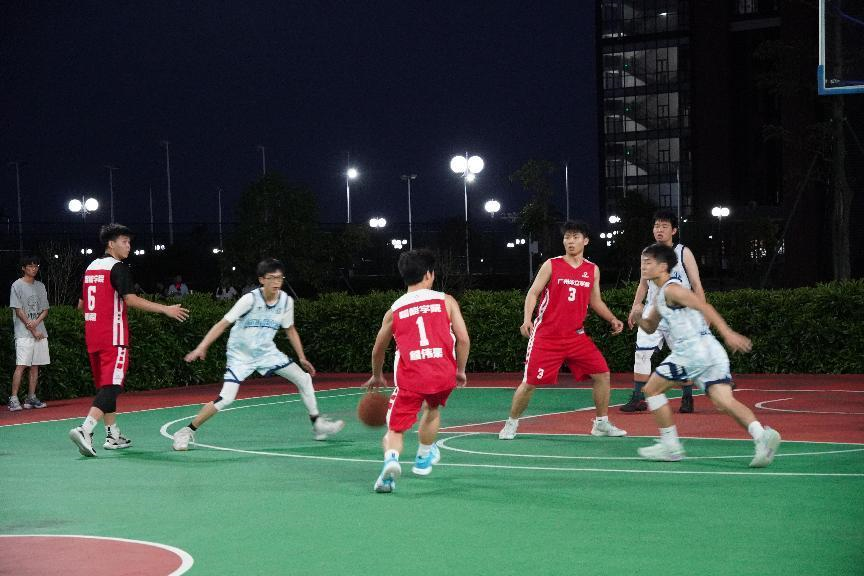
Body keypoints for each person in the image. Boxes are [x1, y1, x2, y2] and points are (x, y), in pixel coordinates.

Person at [632, 243, 780, 466]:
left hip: (691, 351)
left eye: (648, 262)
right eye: (642, 262)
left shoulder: (673, 289)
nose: (643, 266)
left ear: (662, 267)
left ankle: (670, 446)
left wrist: (728, 333)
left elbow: (705, 307)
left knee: (651, 389)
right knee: (724, 401)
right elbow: (650, 327)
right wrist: (638, 316)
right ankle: (762, 436)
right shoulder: (660, 296)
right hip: (710, 351)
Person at [173, 258, 343, 451]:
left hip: (267, 353)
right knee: (226, 398)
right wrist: (201, 347)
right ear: (262, 280)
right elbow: (223, 323)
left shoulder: (286, 301)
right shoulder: (250, 300)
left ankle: (317, 423)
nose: (276, 282)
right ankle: (186, 431)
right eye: (271, 278)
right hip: (240, 356)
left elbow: (290, 329)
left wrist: (302, 357)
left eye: (279, 278)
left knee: (304, 379)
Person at [499, 220, 627, 441]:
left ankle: (601, 423)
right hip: (546, 336)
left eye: (575, 237)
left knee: (602, 374)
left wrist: (612, 318)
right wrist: (527, 319)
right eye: (567, 237)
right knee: (529, 383)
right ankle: (511, 423)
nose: (570, 241)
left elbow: (595, 300)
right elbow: (533, 293)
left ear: (586, 241)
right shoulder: (552, 264)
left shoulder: (592, 269)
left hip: (576, 337)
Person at [69, 224, 189, 457]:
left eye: (130, 242)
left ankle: (113, 434)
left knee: (106, 387)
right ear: (110, 244)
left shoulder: (91, 267)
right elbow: (131, 300)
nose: (129, 246)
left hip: (93, 336)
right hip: (113, 338)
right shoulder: (118, 268)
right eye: (124, 242)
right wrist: (165, 309)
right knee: (113, 386)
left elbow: (81, 305)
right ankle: (85, 429)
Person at [365, 249, 470, 493]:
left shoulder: (395, 310)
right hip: (443, 374)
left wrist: (377, 374)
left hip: (411, 377)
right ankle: (423, 458)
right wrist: (460, 370)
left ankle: (391, 462)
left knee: (395, 429)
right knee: (432, 410)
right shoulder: (446, 301)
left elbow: (378, 349)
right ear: (429, 274)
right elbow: (463, 339)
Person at [622, 210, 705, 414]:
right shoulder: (647, 253)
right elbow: (643, 284)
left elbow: (696, 284)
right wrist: (635, 307)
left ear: (674, 230)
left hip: (679, 313)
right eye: (657, 226)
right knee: (641, 353)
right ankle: (638, 398)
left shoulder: (683, 252)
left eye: (664, 226)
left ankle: (687, 398)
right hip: (653, 311)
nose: (659, 229)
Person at [8, 256, 49, 411]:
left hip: (40, 332)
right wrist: (33, 329)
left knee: (35, 366)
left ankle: (31, 397)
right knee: (21, 365)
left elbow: (45, 310)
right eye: (30, 266)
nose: (34, 269)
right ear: (23, 268)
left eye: (36, 266)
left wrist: (36, 324)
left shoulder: (40, 286)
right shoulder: (17, 285)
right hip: (23, 333)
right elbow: (18, 310)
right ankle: (13, 399)